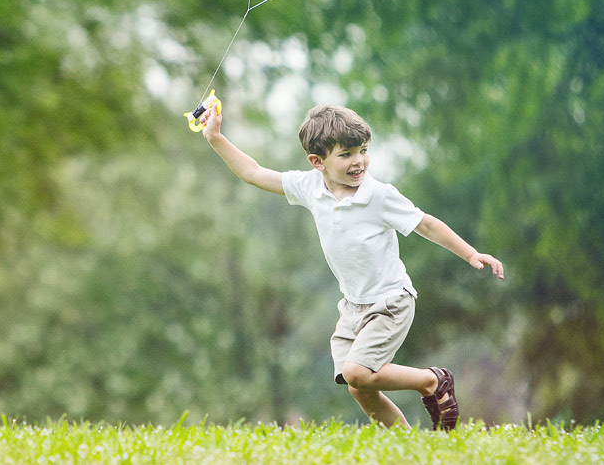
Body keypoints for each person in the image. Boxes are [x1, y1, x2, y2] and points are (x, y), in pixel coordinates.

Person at [197, 104, 504, 430]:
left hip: (391, 301)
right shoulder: (310, 187)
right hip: (353, 307)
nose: (358, 161)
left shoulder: (378, 195)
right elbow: (254, 173)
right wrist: (215, 138)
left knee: (358, 372)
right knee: (358, 385)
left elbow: (425, 225)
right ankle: (407, 446)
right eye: (346, 154)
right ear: (318, 162)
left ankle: (432, 381)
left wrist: (470, 253)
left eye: (363, 151)